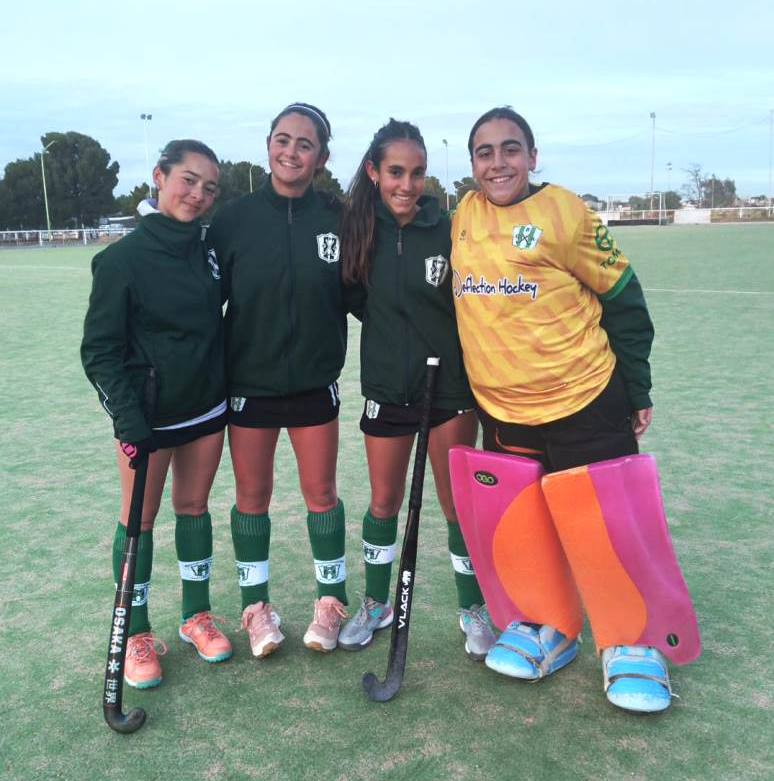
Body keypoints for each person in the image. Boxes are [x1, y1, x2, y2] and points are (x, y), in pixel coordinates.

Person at [450, 106, 698, 712]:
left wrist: (636, 387)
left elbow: (624, 298)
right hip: (504, 412)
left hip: (584, 396)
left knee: (603, 526)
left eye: (511, 149)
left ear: (532, 157)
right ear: (473, 164)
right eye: (485, 152)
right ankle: (548, 625)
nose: (498, 162)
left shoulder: (567, 212)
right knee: (528, 527)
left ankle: (632, 641)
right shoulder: (463, 215)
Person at [337, 119, 496, 659]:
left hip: (447, 388)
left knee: (456, 506)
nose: (407, 184)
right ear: (373, 172)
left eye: (418, 173)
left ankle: (472, 607)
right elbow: (359, 302)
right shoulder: (358, 229)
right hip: (386, 387)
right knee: (384, 502)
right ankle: (376, 603)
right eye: (396, 172)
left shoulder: (448, 228)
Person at [82, 140, 231, 690]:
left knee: (193, 509)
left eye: (209, 188)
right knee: (138, 521)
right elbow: (98, 349)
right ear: (160, 176)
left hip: (205, 409)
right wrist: (127, 418)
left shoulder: (208, 249)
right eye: (188, 180)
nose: (197, 194)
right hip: (147, 418)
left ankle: (196, 615)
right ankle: (136, 633)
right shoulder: (121, 259)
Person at [208, 103, 349, 656]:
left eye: (305, 143)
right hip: (250, 385)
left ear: (321, 155)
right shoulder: (234, 219)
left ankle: (330, 604)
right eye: (282, 140)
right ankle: (256, 610)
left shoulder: (338, 217)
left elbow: (363, 294)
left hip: (315, 384)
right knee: (252, 497)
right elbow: (204, 301)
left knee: (321, 493)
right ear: (268, 144)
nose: (291, 151)